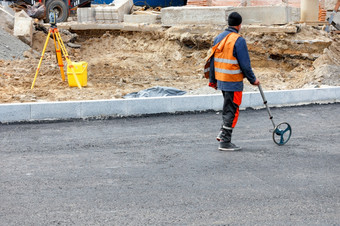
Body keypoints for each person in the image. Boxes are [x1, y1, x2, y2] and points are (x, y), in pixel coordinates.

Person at [204, 12, 260, 151]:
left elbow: (212, 60)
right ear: (239, 25)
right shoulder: (238, 40)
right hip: (233, 82)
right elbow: (245, 65)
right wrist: (253, 80)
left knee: (227, 107)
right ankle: (225, 141)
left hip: (222, 80)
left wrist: (213, 80)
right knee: (232, 110)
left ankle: (223, 132)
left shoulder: (219, 37)